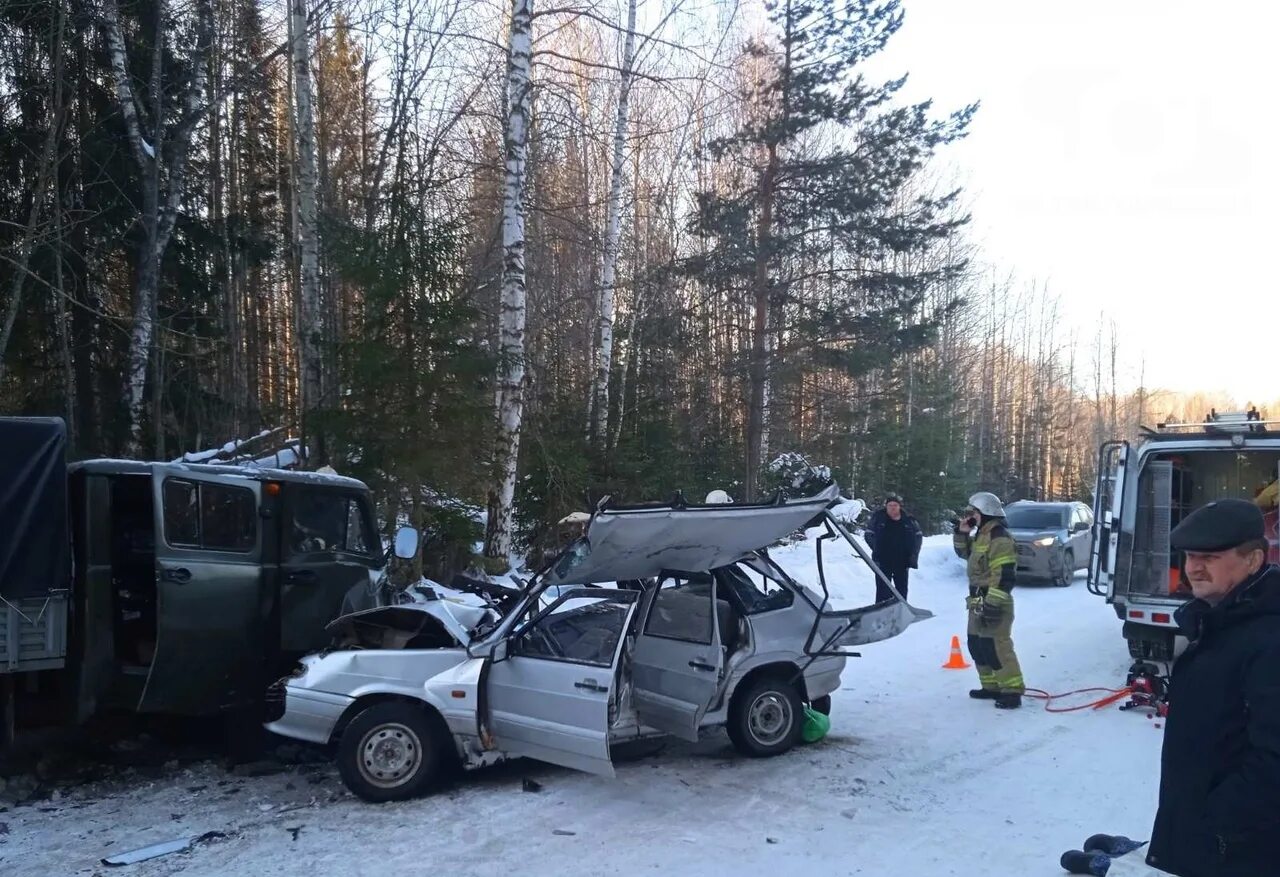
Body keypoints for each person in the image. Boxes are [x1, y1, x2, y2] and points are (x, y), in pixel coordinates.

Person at [1143, 498, 1280, 877]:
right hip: (1207, 836)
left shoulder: (1269, 638)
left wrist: (1216, 822)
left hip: (1240, 850)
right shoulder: (1221, 623)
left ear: (1253, 561)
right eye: (1190, 556)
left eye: (1210, 557)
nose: (1194, 568)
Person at [952, 491, 1025, 709]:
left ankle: (1011, 691)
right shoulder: (982, 535)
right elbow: (965, 554)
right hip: (977, 600)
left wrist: (993, 604)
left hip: (994, 600)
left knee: (997, 646)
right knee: (978, 644)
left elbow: (1004, 575)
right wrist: (961, 533)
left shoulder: (999, 537)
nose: (970, 515)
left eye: (973, 512)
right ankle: (991, 687)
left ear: (984, 512)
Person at [864, 493, 923, 603]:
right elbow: (868, 534)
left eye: (895, 505)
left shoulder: (909, 520)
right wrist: (876, 547)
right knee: (882, 590)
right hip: (882, 560)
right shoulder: (878, 518)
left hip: (903, 560)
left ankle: (901, 611)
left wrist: (914, 554)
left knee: (901, 589)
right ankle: (881, 612)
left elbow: (918, 536)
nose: (892, 508)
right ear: (886, 506)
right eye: (890, 505)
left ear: (899, 506)